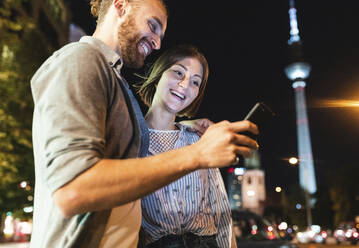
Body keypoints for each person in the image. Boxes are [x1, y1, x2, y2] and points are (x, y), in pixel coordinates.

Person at [29, 0, 259, 247]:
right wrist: (198, 154)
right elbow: (73, 187)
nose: (158, 43)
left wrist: (188, 127)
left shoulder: (116, 83)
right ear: (120, 5)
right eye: (153, 25)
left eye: (195, 82)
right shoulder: (81, 60)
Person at [137, 44, 235, 248]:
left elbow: (221, 210)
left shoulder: (199, 139)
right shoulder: (132, 141)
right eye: (178, 72)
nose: (184, 84)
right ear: (159, 75)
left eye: (195, 82)